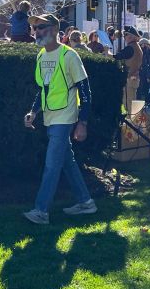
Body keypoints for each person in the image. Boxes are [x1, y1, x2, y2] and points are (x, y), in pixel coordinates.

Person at [22, 13, 96, 224]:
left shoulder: (69, 56)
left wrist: (82, 122)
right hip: (50, 115)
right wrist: (33, 112)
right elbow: (43, 89)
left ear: (55, 29)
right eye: (35, 28)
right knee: (66, 161)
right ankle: (86, 202)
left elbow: (85, 89)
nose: (37, 32)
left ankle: (41, 211)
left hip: (64, 117)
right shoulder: (41, 56)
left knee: (52, 164)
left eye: (42, 27)